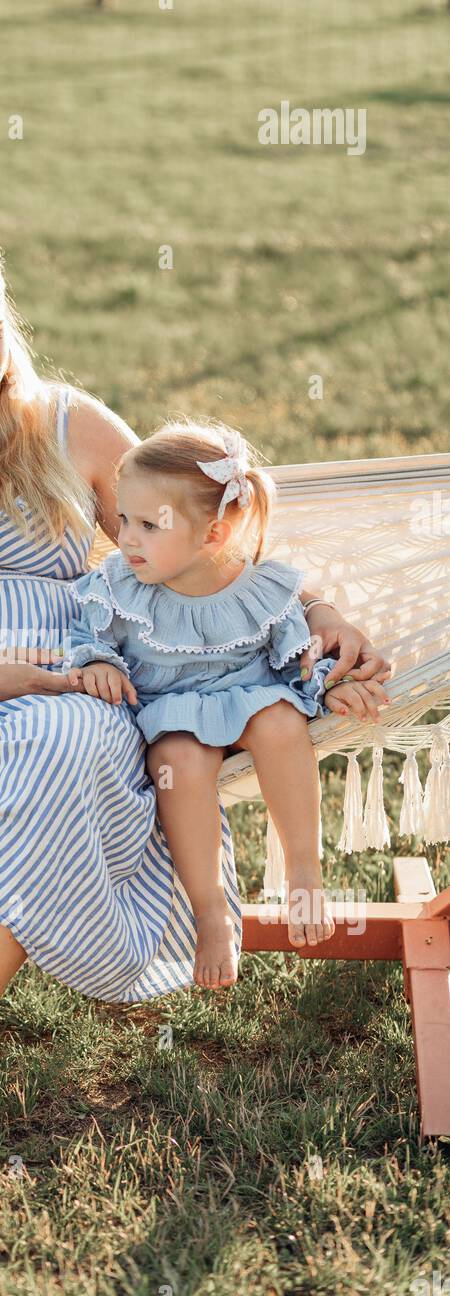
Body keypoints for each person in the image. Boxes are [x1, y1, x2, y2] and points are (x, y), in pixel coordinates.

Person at [0, 215, 392, 1253]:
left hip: (71, 685)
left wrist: (317, 611)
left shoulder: (70, 426)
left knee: (57, 753)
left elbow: (202, 543)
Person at [63, 420, 391, 989]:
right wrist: (96, 664)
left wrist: (329, 686)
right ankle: (210, 910)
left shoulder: (259, 587)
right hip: (171, 713)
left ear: (212, 535)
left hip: (251, 695)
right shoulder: (120, 585)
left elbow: (296, 652)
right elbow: (89, 636)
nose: (128, 539)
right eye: (124, 520)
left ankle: (304, 874)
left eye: (148, 525)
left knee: (281, 721)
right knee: (179, 765)